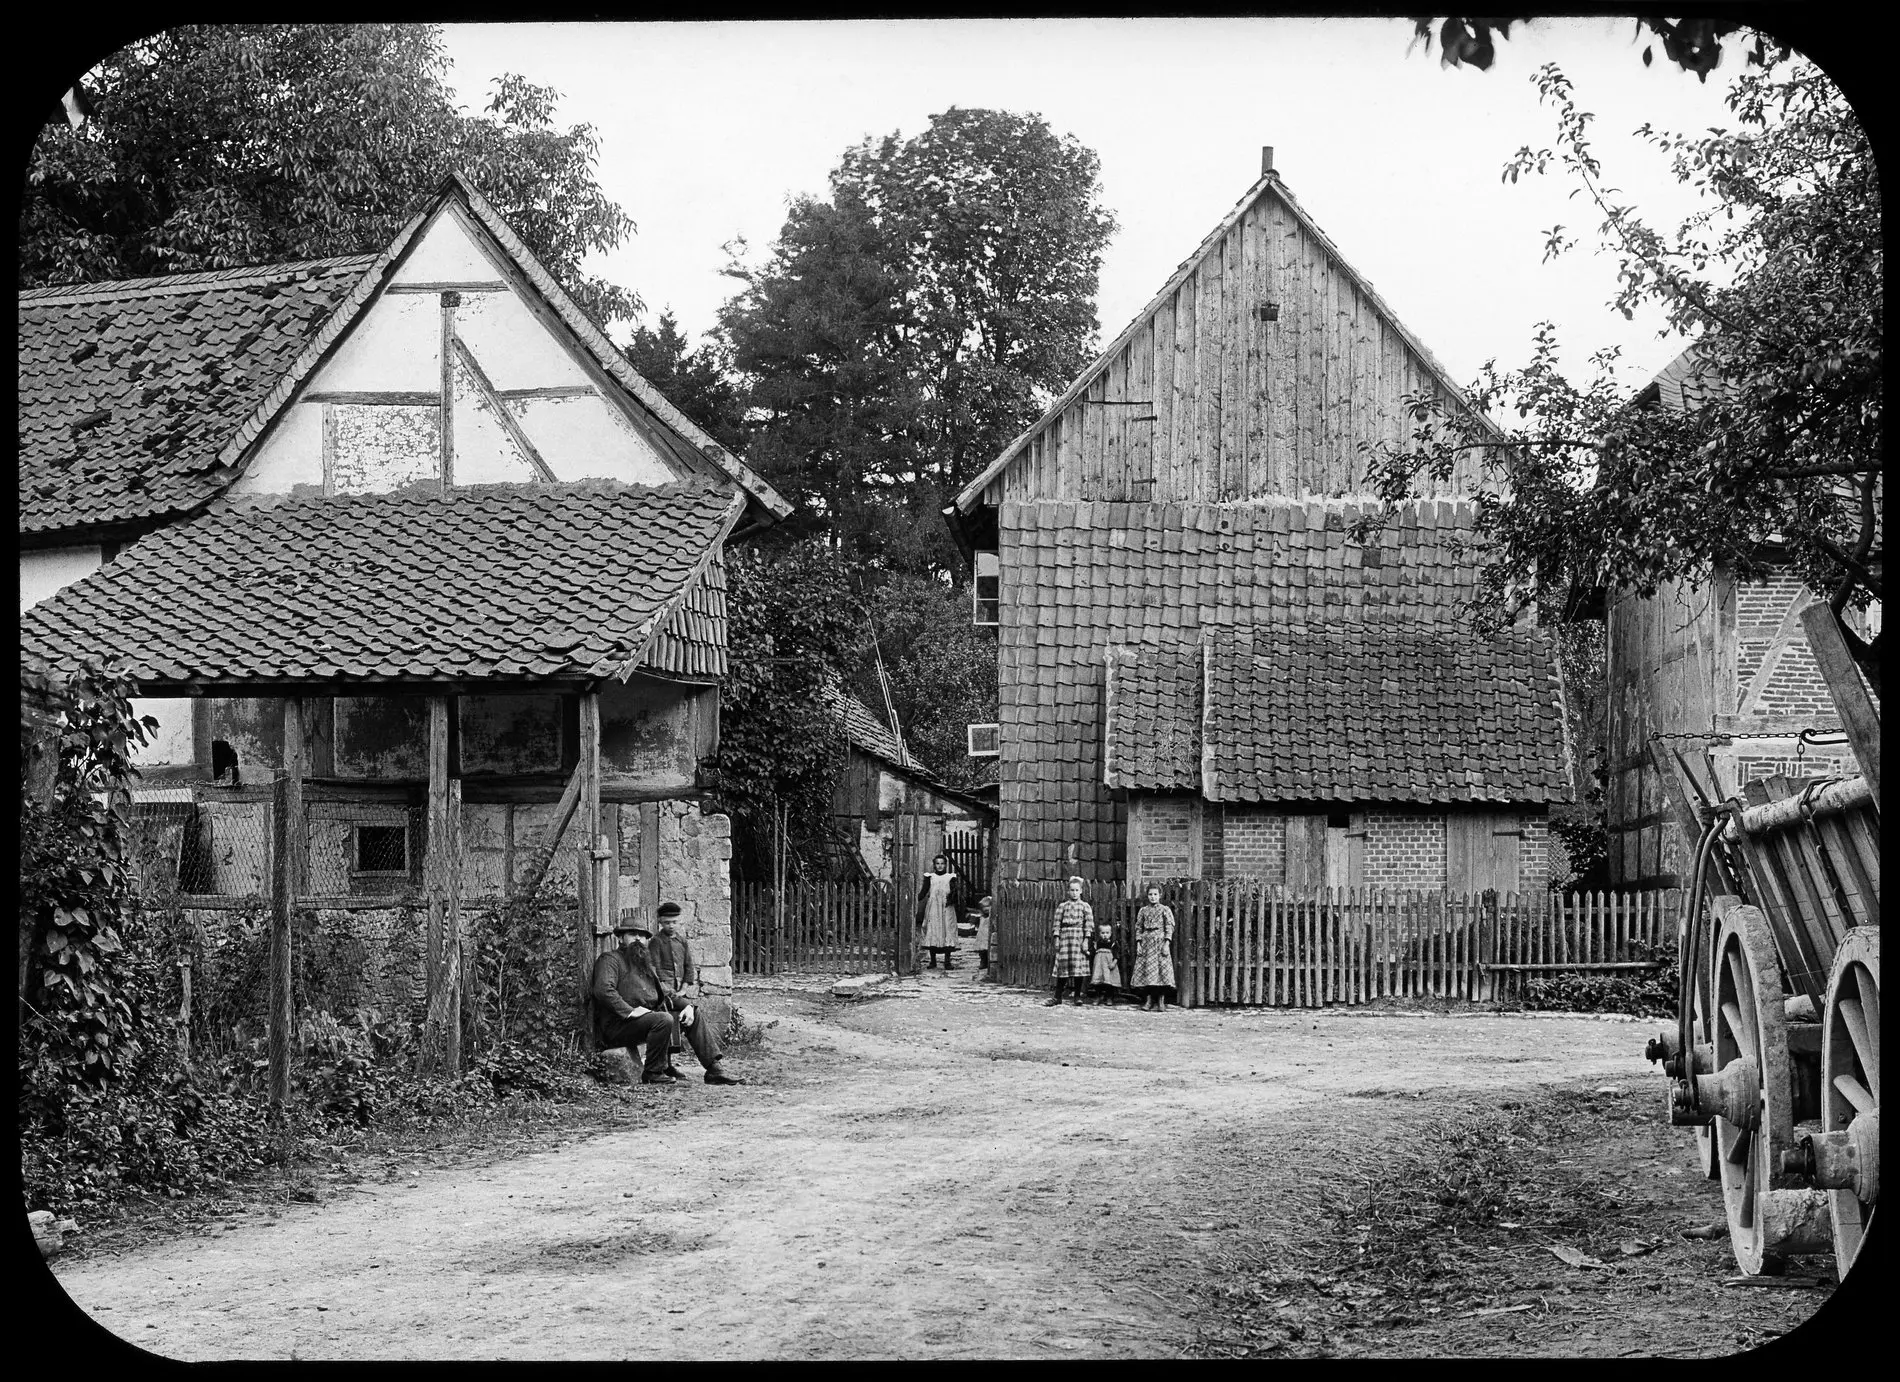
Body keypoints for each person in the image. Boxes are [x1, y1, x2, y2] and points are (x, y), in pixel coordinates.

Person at [591, 914, 743, 1085]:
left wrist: (687, 1006)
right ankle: (653, 1072)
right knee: (663, 1019)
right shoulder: (611, 960)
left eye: (642, 935)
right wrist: (630, 1011)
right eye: (632, 934)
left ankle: (714, 1069)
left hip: (644, 1021)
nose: (638, 939)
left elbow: (665, 993)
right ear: (620, 938)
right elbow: (603, 990)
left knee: (692, 1012)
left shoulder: (645, 964)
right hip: (618, 1025)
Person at [648, 901, 698, 1061]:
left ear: (679, 921)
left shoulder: (682, 941)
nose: (671, 926)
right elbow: (653, 968)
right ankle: (666, 1064)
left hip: (678, 990)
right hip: (663, 991)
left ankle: (670, 1064)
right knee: (667, 1022)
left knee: (677, 1022)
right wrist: (663, 989)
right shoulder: (656, 941)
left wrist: (683, 988)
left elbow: (689, 965)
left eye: (674, 922)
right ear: (660, 922)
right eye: (667, 922)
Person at [1046, 875, 1093, 1006]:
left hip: (1078, 937)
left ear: (1081, 891)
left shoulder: (1085, 906)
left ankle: (1077, 996)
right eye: (1072, 890)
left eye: (1077, 890)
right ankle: (1057, 996)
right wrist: (1056, 939)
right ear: (1068, 891)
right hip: (1065, 938)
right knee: (1063, 968)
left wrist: (1085, 941)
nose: (1074, 893)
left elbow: (1088, 925)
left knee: (1078, 968)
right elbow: (1056, 924)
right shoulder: (1062, 906)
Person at [1131, 885, 1177, 1012]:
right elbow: (1138, 927)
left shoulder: (1165, 910)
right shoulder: (1143, 911)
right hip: (1146, 943)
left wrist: (1167, 943)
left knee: (1161, 972)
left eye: (1155, 894)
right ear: (1147, 896)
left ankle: (1161, 1001)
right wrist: (1138, 943)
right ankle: (1148, 1000)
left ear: (1160, 895)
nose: (1153, 897)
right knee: (1147, 972)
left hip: (1160, 942)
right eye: (1150, 894)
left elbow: (1169, 926)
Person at [916, 852, 965, 970]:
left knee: (947, 930)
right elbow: (924, 891)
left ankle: (947, 961)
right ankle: (933, 961)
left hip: (946, 908)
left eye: (942, 864)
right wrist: (915, 899)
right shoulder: (930, 877)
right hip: (933, 907)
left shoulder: (950, 877)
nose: (940, 866)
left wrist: (953, 900)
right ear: (934, 865)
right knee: (933, 930)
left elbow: (955, 893)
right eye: (937, 863)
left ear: (946, 865)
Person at [1086, 914, 1124, 1005]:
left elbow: (1116, 955)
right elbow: (1091, 953)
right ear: (1099, 934)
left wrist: (1114, 963)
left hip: (1108, 966)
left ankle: (1109, 998)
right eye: (1103, 933)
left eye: (1107, 933)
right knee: (1097, 982)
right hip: (1098, 967)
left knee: (1109, 982)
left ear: (1110, 934)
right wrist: (1086, 952)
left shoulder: (1113, 944)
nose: (1105, 935)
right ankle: (1097, 997)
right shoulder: (1096, 944)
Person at [970, 893, 995, 971]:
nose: (985, 910)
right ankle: (983, 962)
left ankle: (989, 962)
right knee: (982, 951)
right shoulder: (981, 917)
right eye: (984, 908)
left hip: (988, 936)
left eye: (988, 908)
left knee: (990, 949)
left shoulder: (992, 917)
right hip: (982, 937)